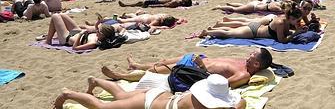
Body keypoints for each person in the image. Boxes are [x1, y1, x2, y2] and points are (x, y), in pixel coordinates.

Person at [102, 48, 272, 90]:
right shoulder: (243, 62)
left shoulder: (243, 74)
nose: (249, 54)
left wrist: (202, 66)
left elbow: (220, 85)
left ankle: (119, 75)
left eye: (253, 55)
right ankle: (136, 65)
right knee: (162, 63)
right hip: (199, 60)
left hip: (194, 70)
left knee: (154, 73)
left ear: (257, 64)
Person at [54, 74, 246, 109]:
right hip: (148, 103)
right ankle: (67, 94)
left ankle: (96, 81)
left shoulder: (209, 100)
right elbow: (240, 103)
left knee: (121, 95)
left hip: (160, 94)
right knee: (102, 107)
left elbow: (241, 101)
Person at [200, 6, 306, 43]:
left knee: (234, 30)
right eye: (297, 20)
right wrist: (296, 33)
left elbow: (286, 33)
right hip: (254, 32)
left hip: (257, 28)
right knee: (229, 33)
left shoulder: (285, 20)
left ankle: (217, 26)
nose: (298, 22)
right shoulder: (280, 22)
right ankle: (208, 32)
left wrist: (297, 30)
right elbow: (282, 40)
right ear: (291, 18)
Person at [43, 13, 115, 50]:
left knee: (55, 16)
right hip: (77, 31)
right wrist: (98, 22)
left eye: (98, 31)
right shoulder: (99, 37)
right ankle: (49, 37)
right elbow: (97, 29)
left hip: (67, 38)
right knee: (62, 15)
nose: (97, 32)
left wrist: (80, 35)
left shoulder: (93, 43)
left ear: (102, 35)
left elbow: (75, 48)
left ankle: (48, 41)